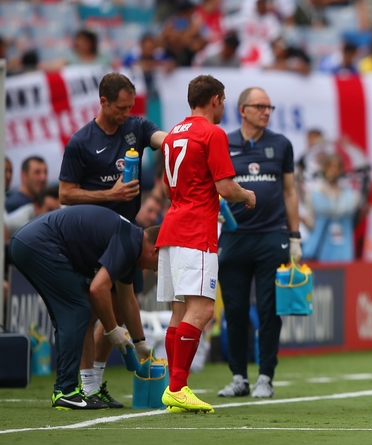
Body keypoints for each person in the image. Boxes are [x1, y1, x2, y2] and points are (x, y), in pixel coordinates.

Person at [59, 72, 167, 407]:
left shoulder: (135, 128)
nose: (125, 113)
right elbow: (65, 194)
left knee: (120, 310)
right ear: (103, 102)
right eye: (120, 108)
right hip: (92, 238)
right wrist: (111, 193)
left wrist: (184, 140)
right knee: (94, 311)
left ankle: (94, 386)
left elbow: (162, 139)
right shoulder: (81, 141)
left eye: (129, 107)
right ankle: (85, 387)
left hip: (126, 234)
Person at [158, 75, 256, 413]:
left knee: (179, 311)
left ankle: (175, 388)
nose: (224, 106)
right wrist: (247, 195)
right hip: (196, 230)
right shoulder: (211, 133)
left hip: (171, 226)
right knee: (203, 310)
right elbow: (227, 187)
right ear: (215, 99)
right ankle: (177, 387)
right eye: (224, 100)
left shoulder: (173, 134)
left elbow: (169, 190)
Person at [9, 205, 160, 410]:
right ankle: (65, 391)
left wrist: (140, 343)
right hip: (37, 244)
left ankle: (73, 389)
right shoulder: (130, 243)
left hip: (30, 243)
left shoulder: (132, 243)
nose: (154, 270)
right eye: (157, 264)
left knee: (70, 315)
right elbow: (99, 289)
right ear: (155, 249)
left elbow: (127, 301)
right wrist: (113, 330)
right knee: (78, 311)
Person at [216, 86, 301, 399]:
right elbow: (212, 185)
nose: (267, 111)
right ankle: (239, 376)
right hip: (234, 237)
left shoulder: (281, 145)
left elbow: (290, 192)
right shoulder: (223, 143)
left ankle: (265, 376)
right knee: (235, 311)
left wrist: (294, 237)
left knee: (269, 311)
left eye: (270, 107)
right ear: (243, 110)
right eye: (260, 106)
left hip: (272, 237)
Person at [303, 153, 361, 262]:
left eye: (337, 167)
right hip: (319, 250)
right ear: (324, 169)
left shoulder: (349, 193)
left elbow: (349, 210)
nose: (334, 170)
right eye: (330, 166)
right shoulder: (315, 192)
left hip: (344, 250)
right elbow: (312, 221)